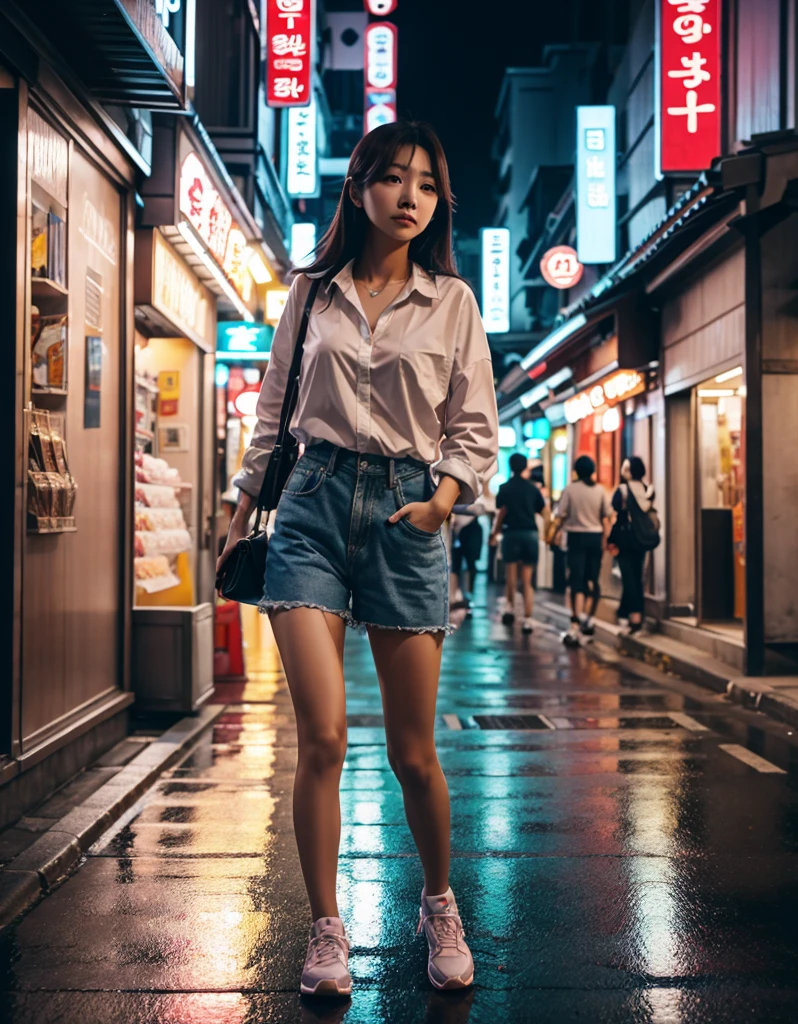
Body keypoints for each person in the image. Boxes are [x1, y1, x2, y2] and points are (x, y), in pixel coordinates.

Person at [217, 121, 497, 998]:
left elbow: (474, 428)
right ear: (358, 187)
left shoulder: (451, 302)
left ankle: (439, 904)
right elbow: (272, 419)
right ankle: (326, 929)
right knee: (324, 739)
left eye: (425, 183)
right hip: (308, 508)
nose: (409, 196)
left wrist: (441, 503)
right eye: (392, 179)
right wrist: (236, 517)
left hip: (407, 515)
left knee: (415, 753)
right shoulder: (310, 294)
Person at [550, 454, 612, 646]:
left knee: (575, 580)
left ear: (576, 470)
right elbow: (606, 518)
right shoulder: (600, 491)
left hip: (576, 538)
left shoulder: (570, 490)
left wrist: (553, 535)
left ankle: (575, 623)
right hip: (595, 538)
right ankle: (588, 618)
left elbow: (560, 515)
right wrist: (608, 541)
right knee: (592, 579)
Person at [491, 452, 548, 633]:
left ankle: (510, 609)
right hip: (530, 534)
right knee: (527, 580)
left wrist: (495, 532)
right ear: (525, 467)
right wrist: (546, 533)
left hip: (512, 533)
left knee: (512, 576)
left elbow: (502, 511)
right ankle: (528, 619)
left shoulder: (505, 488)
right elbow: (544, 512)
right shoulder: (533, 489)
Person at [609, 456, 655, 634]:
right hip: (642, 540)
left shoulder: (622, 490)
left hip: (625, 540)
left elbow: (616, 513)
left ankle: (635, 618)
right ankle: (625, 613)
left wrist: (611, 540)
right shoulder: (648, 490)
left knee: (629, 578)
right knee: (636, 577)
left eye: (625, 468)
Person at [450, 499, 485, 615]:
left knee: (470, 565)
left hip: (471, 532)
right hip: (456, 532)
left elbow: (480, 509)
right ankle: (456, 596)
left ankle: (469, 596)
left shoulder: (474, 495)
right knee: (455, 566)